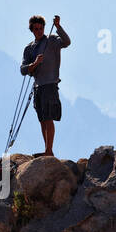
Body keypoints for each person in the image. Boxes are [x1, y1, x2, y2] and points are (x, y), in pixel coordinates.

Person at [20, 14, 70, 157]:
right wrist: (34, 64)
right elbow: (23, 69)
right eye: (36, 29)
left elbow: (67, 42)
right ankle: (47, 149)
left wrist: (58, 27)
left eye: (41, 28)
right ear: (32, 30)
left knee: (48, 118)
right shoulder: (29, 48)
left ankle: (49, 150)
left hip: (50, 84)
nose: (39, 31)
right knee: (42, 119)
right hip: (38, 87)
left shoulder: (52, 41)